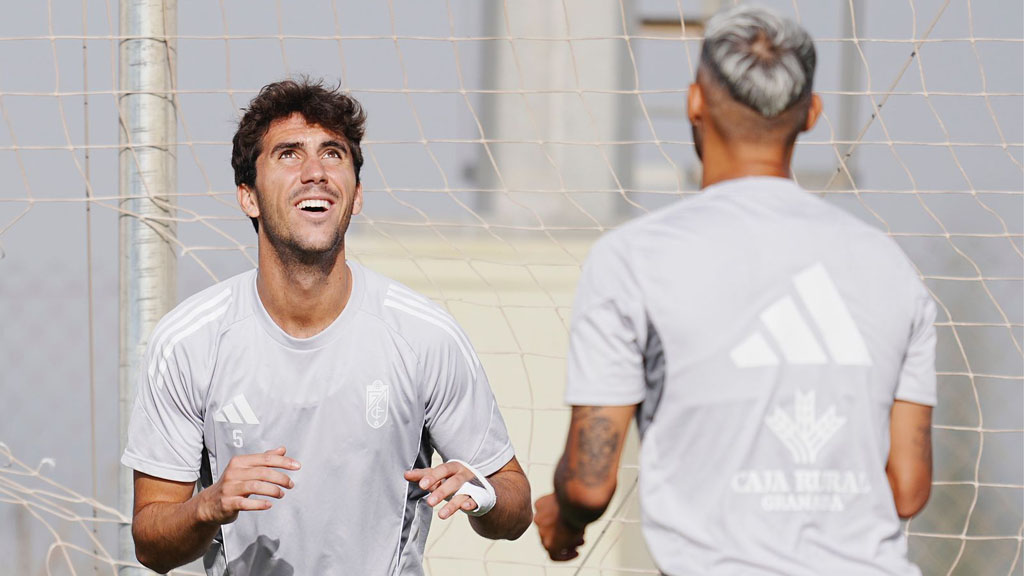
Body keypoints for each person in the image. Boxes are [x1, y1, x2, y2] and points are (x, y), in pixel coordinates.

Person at [534, 6, 935, 575]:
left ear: (695, 102)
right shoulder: (890, 266)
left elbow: (589, 482)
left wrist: (565, 517)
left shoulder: (633, 258)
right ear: (812, 113)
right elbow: (909, 489)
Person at [121, 78, 532, 576]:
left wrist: (484, 496)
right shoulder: (189, 342)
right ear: (248, 197)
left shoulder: (423, 335)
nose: (315, 172)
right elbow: (151, 542)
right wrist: (207, 506)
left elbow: (515, 503)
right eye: (289, 154)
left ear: (355, 195)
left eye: (333, 154)